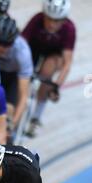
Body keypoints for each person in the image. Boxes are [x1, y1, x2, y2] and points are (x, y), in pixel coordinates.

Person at [22, 0, 76, 137]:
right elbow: (21, 45)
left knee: (47, 71)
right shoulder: (36, 20)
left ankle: (36, 117)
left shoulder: (69, 29)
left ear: (64, 19)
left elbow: (67, 63)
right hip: (34, 50)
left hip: (53, 55)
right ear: (44, 15)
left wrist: (56, 86)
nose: (52, 24)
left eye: (57, 21)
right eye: (49, 19)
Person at [0, 15, 33, 139]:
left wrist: (12, 123)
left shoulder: (22, 52)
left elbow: (24, 96)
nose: (1, 48)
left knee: (7, 113)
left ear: (13, 41)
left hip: (11, 77)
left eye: (7, 44)